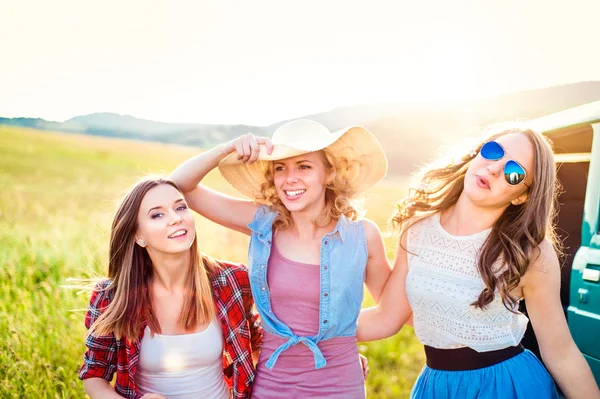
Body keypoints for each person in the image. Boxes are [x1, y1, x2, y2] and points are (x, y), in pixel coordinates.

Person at [356, 126, 600, 398]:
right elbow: (386, 318)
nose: (495, 169)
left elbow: (561, 353)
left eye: (513, 173)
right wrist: (311, 333)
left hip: (505, 386)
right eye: (493, 152)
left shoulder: (529, 253)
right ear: (477, 153)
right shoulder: (418, 228)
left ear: (521, 196)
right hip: (437, 386)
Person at [169, 119, 392, 398]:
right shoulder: (263, 223)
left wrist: (338, 333)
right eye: (280, 168)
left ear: (330, 173)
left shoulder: (362, 235)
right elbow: (179, 186)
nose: (290, 178)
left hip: (340, 384)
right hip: (272, 383)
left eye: (304, 166)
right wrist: (224, 149)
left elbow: (390, 313)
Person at [78, 177, 263, 399]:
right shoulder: (112, 297)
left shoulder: (232, 280)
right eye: (157, 214)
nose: (176, 219)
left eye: (181, 207)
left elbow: (257, 348)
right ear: (138, 235)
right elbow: (94, 376)